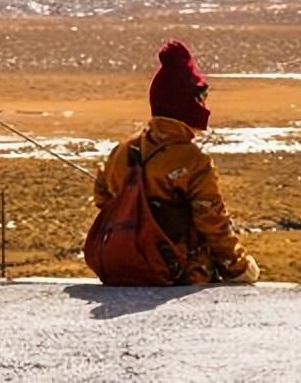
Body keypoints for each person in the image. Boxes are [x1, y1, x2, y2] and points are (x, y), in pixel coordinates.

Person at [93, 39, 260, 284]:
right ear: (188, 104)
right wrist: (240, 267)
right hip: (177, 273)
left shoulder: (122, 150)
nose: (205, 104)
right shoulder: (193, 161)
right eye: (201, 96)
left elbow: (102, 197)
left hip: (120, 267)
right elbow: (213, 223)